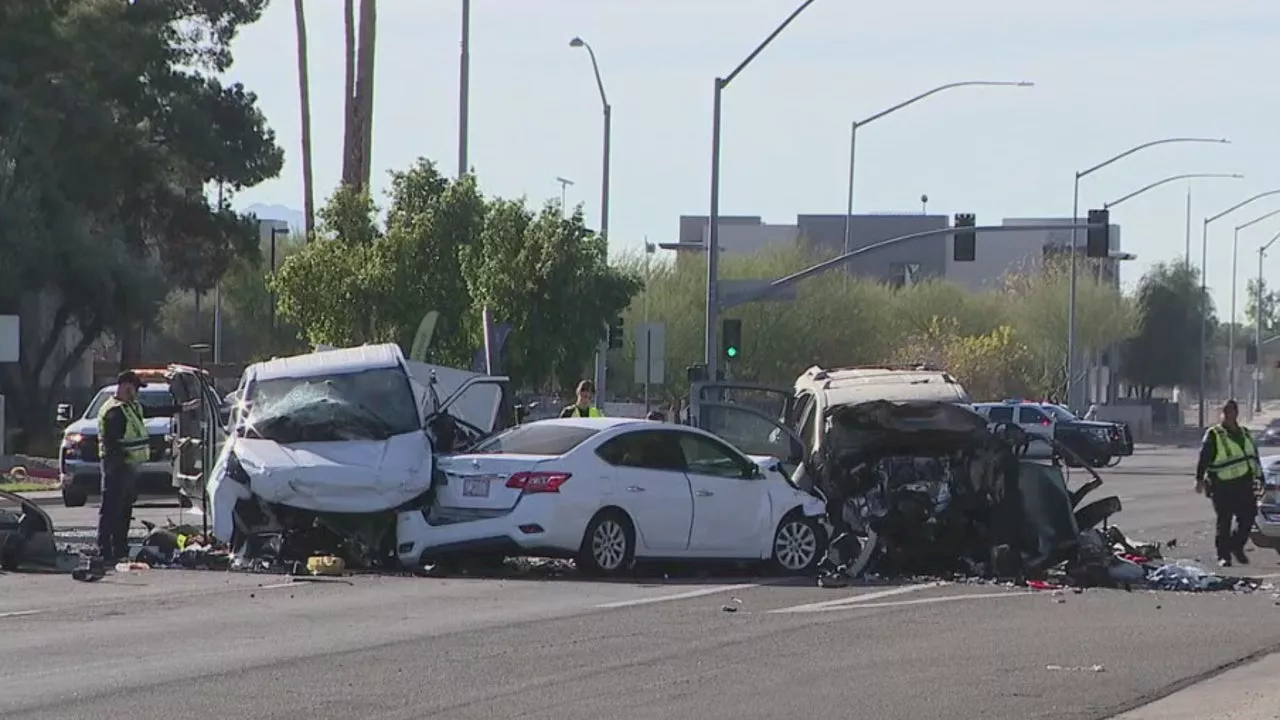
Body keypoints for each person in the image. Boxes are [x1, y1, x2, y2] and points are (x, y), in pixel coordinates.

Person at [96, 370, 200, 562]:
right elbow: (112, 443)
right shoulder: (113, 411)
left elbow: (154, 410)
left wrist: (183, 408)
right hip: (115, 467)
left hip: (129, 466)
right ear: (126, 385)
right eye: (135, 388)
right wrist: (122, 463)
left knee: (125, 509)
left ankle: (120, 548)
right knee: (111, 509)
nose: (137, 392)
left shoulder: (131, 407)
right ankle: (105, 549)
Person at [1195, 399, 1263, 567]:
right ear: (1222, 414)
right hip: (1222, 485)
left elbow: (1253, 457)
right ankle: (1224, 555)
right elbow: (1204, 457)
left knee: (1248, 517)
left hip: (1244, 484)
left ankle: (1236, 546)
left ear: (1236, 413)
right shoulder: (1214, 434)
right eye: (1226, 412)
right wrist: (1199, 479)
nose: (1229, 415)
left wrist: (1261, 478)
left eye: (1232, 411)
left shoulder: (1245, 433)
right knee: (1224, 521)